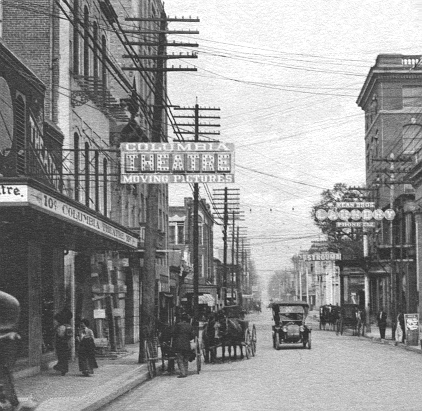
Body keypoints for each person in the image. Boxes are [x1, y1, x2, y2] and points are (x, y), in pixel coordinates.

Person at [53, 309, 73, 376]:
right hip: (67, 343)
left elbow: (60, 335)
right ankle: (64, 369)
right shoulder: (69, 326)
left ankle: (62, 368)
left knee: (61, 356)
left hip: (61, 343)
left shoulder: (61, 327)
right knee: (65, 357)